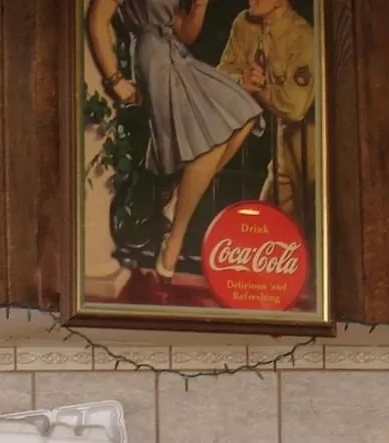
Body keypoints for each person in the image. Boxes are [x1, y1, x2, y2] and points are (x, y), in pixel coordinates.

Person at [87, 0, 261, 280]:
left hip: (177, 54)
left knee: (245, 113)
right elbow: (97, 19)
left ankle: (178, 200)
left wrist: (199, 7)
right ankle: (175, 238)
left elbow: (184, 32)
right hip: (153, 60)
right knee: (209, 144)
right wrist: (115, 80)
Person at [218, 0, 317, 231]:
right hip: (280, 149)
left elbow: (296, 108)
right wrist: (241, 81)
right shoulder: (244, 24)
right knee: (265, 228)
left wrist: (261, 89)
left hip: (311, 147)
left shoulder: (303, 37)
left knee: (311, 227)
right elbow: (220, 77)